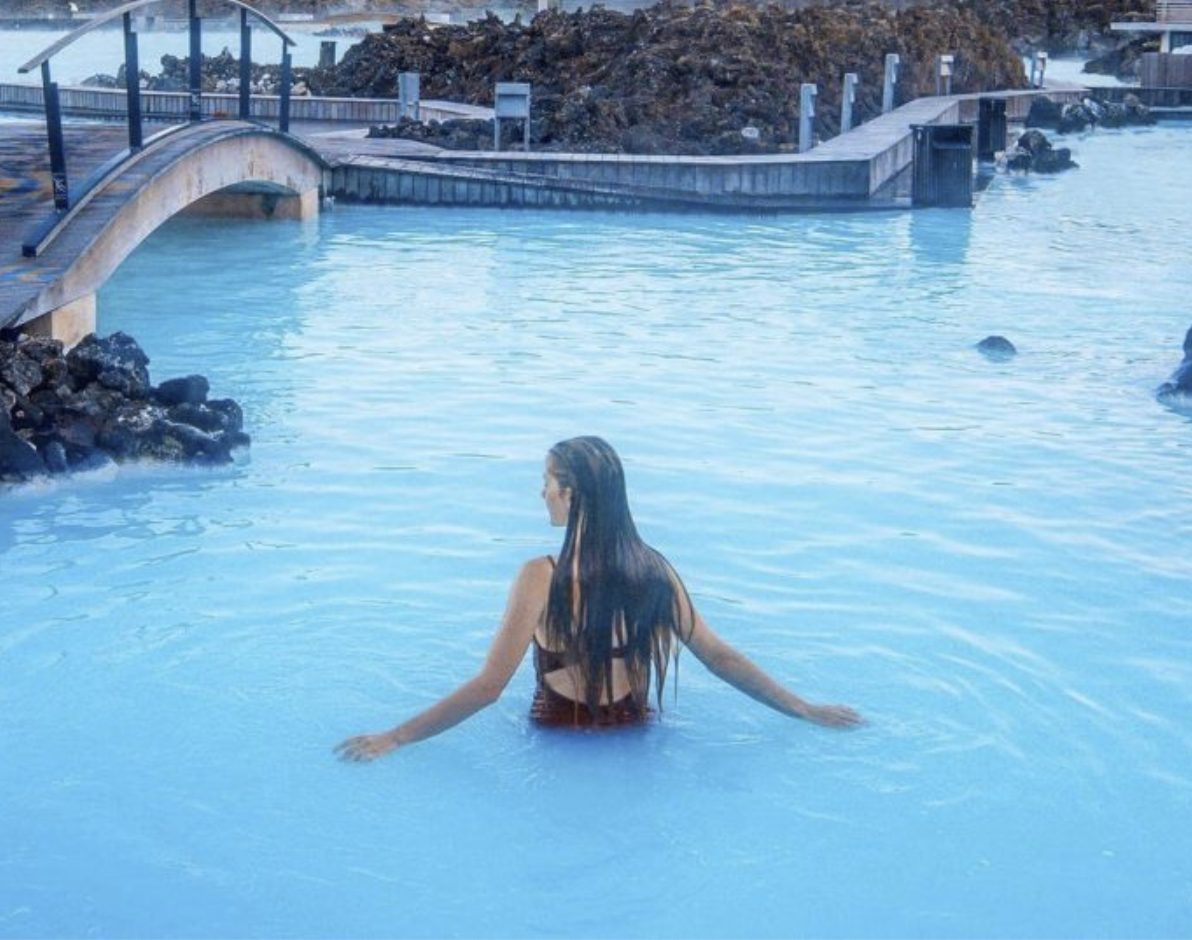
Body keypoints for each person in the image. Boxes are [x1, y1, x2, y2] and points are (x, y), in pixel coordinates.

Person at [336, 436, 861, 762]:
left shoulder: (539, 577)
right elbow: (720, 657)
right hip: (636, 737)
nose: (541, 492)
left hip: (556, 744)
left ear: (572, 494)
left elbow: (488, 688)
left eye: (546, 482)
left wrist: (397, 737)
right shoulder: (654, 570)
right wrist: (804, 708)